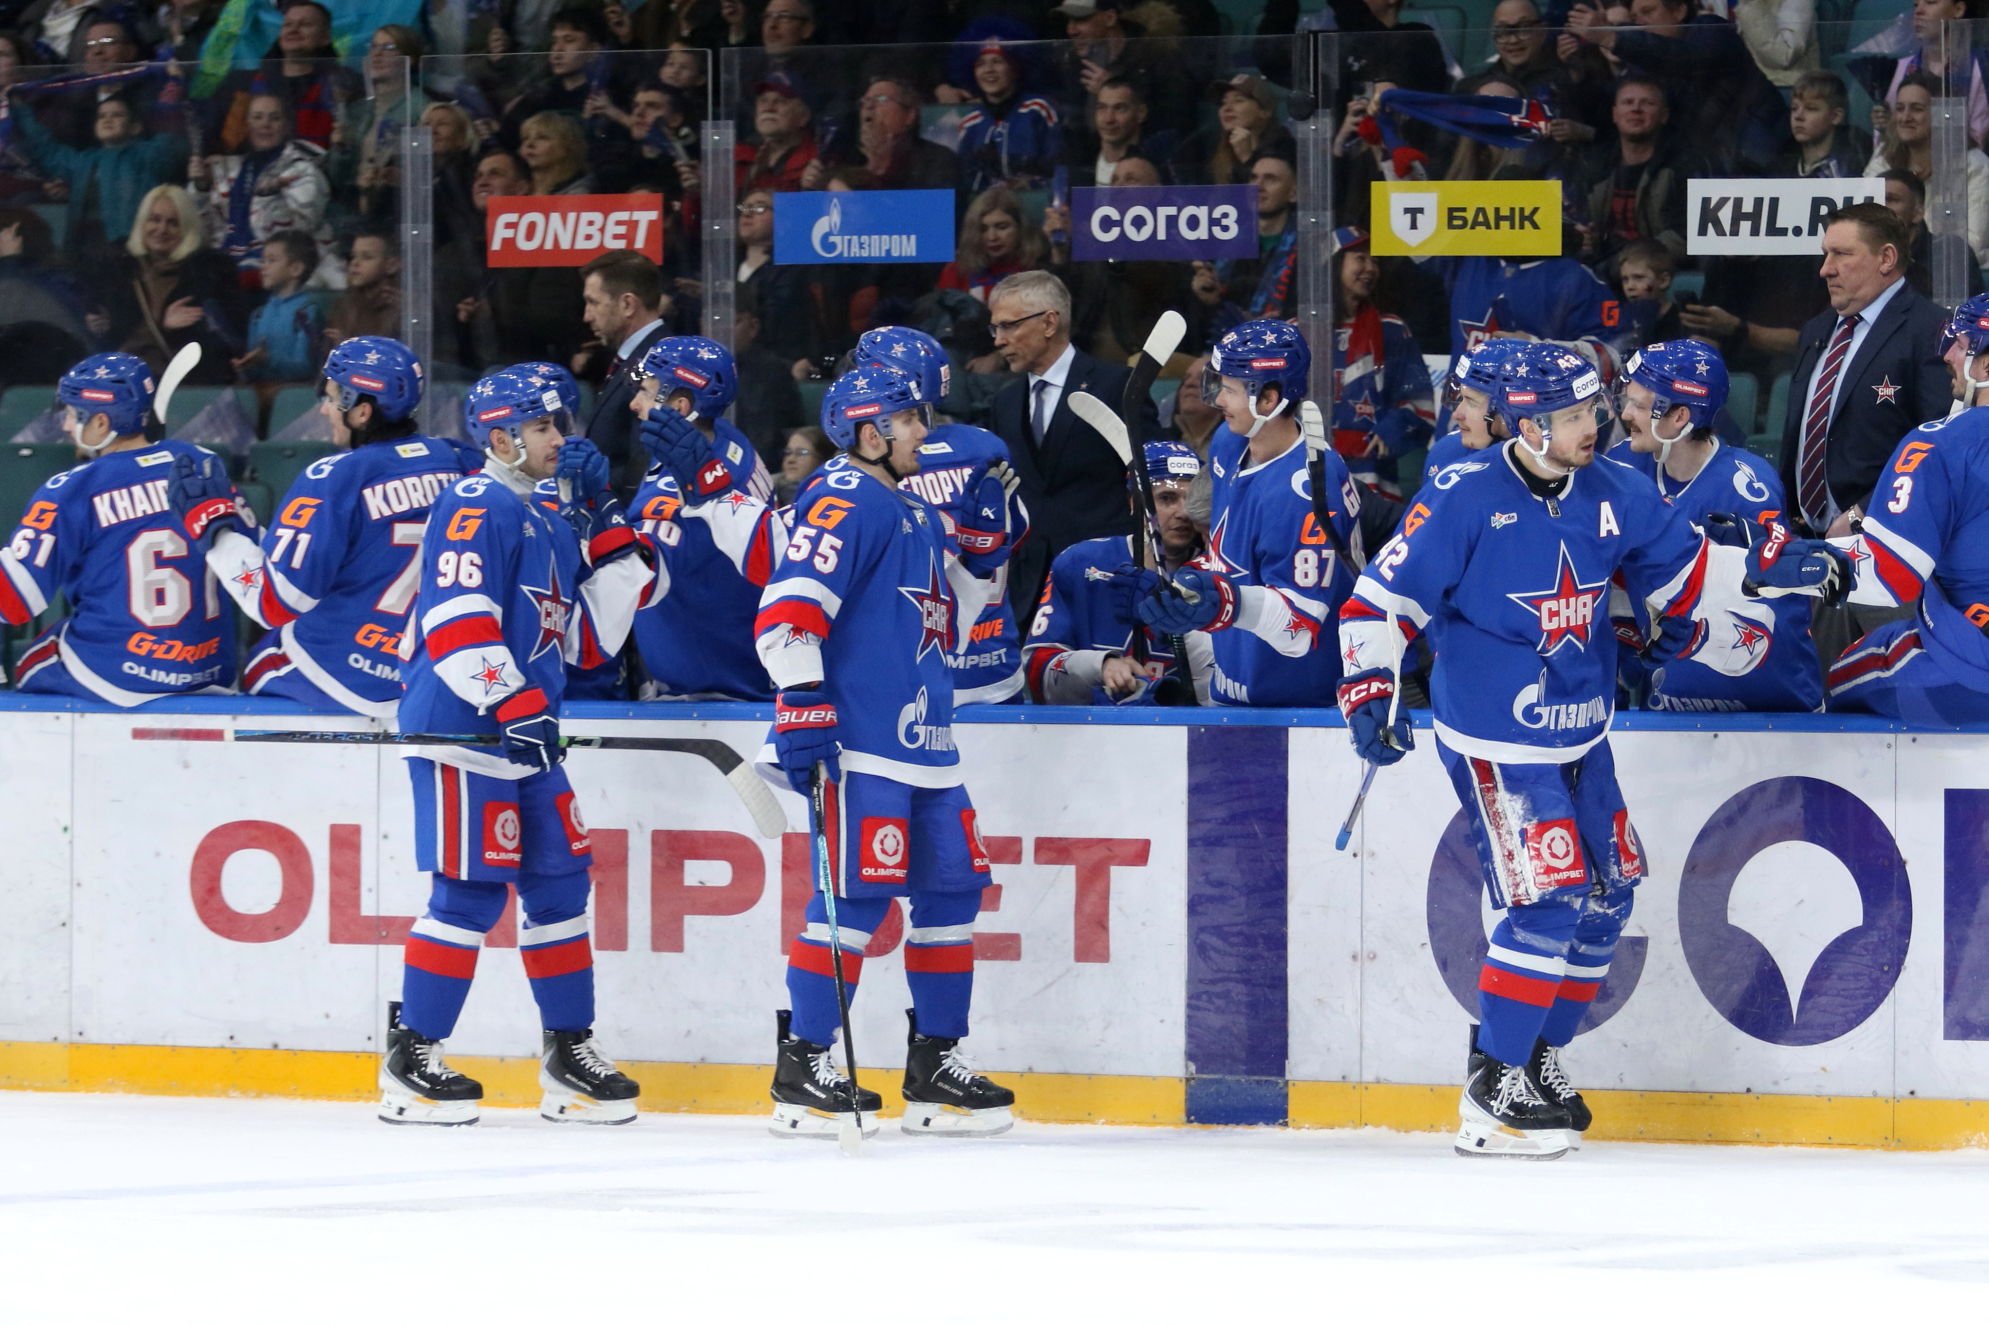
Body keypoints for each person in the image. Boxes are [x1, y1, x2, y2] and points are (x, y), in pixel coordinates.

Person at [1335, 342, 1850, 1158]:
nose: (1594, 425)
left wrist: (1776, 568)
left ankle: (1535, 1058)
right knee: (1548, 901)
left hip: (1581, 729)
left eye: (1593, 409)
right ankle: (1490, 1090)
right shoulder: (1462, 494)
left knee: (1610, 894)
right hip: (1497, 739)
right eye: (1572, 415)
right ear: (1528, 424)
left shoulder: (1616, 488)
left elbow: (1688, 578)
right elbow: (1377, 603)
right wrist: (1368, 688)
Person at [383, 364, 662, 1126]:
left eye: (562, 424)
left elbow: (588, 641)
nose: (560, 438)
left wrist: (605, 519)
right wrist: (510, 697)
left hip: (525, 733)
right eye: (543, 426)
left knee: (561, 887)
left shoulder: (546, 520)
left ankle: (568, 1055)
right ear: (501, 438)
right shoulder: (475, 503)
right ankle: (412, 1060)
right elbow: (455, 618)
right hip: (463, 730)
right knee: (469, 894)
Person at [756, 363, 1017, 1138]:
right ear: (870, 433)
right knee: (857, 901)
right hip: (861, 742)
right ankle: (804, 1065)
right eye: (909, 420)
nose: (921, 433)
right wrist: (802, 699)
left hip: (927, 742)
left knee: (952, 894)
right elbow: (789, 608)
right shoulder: (841, 496)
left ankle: (933, 1065)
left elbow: (949, 619)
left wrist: (983, 553)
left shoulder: (911, 511)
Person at [176, 336, 470, 717]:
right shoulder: (458, 461)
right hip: (423, 672)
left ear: (361, 412)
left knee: (256, 668)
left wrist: (216, 534)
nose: (324, 410)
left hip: (339, 674)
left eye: (331, 399)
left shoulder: (334, 477)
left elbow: (274, 602)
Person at [1114, 320, 1356, 707]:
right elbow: (1228, 550)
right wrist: (1186, 585)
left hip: (1300, 702)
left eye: (1229, 389)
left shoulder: (1306, 490)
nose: (1217, 401)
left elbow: (1300, 627)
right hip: (1232, 684)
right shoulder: (1230, 441)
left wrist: (1226, 604)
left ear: (1269, 399)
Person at [0, 353, 244, 703]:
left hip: (115, 676)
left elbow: (14, 601)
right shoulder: (203, 464)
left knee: (28, 663)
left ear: (101, 422)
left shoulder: (72, 488)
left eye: (72, 414)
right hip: (211, 672)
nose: (66, 426)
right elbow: (256, 562)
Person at [1613, 340, 1823, 712]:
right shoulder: (1621, 471)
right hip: (1670, 699)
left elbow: (1773, 607)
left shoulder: (1748, 487)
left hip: (1768, 704)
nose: (1626, 414)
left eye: (1640, 406)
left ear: (1680, 417)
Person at [1826, 293, 1989, 722]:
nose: (1947, 356)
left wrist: (1790, 561)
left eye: (1961, 345)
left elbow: (1888, 576)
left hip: (1966, 670)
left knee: (1835, 680)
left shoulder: (1940, 442)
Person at [859, 326, 1032, 706]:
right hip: (993, 660)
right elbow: (1017, 535)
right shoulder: (985, 445)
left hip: (910, 669)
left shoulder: (868, 464)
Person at [986, 269, 1157, 621]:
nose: (998, 341)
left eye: (1008, 326)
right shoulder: (1004, 402)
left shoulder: (1118, 386)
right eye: (995, 328)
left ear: (1049, 322)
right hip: (1027, 588)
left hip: (1105, 579)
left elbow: (1152, 477)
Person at [1780, 205, 1949, 544]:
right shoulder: (1816, 330)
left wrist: (1863, 513)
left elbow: (1937, 448)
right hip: (1803, 539)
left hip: (1886, 538)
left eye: (1841, 254)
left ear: (1886, 258)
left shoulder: (1931, 331)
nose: (1825, 269)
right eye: (1826, 254)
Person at [626, 335, 778, 700]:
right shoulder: (724, 439)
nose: (634, 403)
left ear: (680, 407)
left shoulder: (674, 493)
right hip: (746, 662)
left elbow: (632, 582)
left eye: (646, 391)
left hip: (708, 692)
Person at [1027, 440, 1209, 704]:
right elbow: (1037, 672)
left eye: (1191, 499)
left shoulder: (1220, 575)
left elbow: (1235, 685)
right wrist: (1100, 667)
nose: (1183, 512)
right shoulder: (1080, 564)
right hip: (1092, 728)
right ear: (1134, 502)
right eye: (1167, 498)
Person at [1330, 227, 1435, 493]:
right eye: (1360, 258)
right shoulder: (1299, 330)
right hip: (1308, 473)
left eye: (1375, 261)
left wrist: (1393, 428)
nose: (1370, 268)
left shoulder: (1392, 330)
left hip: (1373, 479)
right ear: (1333, 264)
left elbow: (1419, 400)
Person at [188, 92, 333, 284]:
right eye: (257, 117)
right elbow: (202, 232)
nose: (265, 124)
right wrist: (201, 189)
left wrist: (269, 198)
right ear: (247, 124)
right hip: (227, 268)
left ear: (287, 126)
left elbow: (297, 237)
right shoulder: (226, 169)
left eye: (275, 118)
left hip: (285, 276)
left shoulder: (304, 171)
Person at [1864, 72, 1989, 263]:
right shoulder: (1883, 159)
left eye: (1917, 109)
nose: (1905, 117)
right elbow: (1864, 227)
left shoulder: (1975, 166)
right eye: (1900, 108)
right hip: (1890, 267)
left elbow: (1972, 244)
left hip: (1948, 271)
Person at [578, 250, 672, 500]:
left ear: (627, 304)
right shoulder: (637, 357)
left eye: (593, 302)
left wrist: (589, 480)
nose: (586, 316)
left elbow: (642, 465)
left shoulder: (658, 363)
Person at [1420, 337, 1526, 490]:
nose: (1457, 415)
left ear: (1513, 410)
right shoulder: (1447, 452)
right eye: (1460, 398)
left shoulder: (1557, 464)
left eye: (1471, 402)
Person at [1881, 169, 1986, 301]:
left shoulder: (1950, 253)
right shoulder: (1862, 255)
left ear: (1917, 213)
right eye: (1876, 199)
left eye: (1890, 199)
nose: (1880, 206)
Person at [234, 232, 324, 385]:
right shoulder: (258, 315)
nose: (263, 267)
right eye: (263, 261)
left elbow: (306, 367)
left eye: (272, 260)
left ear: (296, 269)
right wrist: (244, 366)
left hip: (296, 396)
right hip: (261, 394)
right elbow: (253, 370)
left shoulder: (307, 311)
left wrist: (267, 359)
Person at [938, 187, 1049, 304]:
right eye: (983, 229)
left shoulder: (1037, 269)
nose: (992, 237)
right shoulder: (957, 270)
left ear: (1020, 227)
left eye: (1002, 227)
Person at [325, 231, 402, 344]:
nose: (355, 263)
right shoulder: (345, 304)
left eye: (367, 257)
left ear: (391, 265)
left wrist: (351, 346)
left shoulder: (399, 306)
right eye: (353, 256)